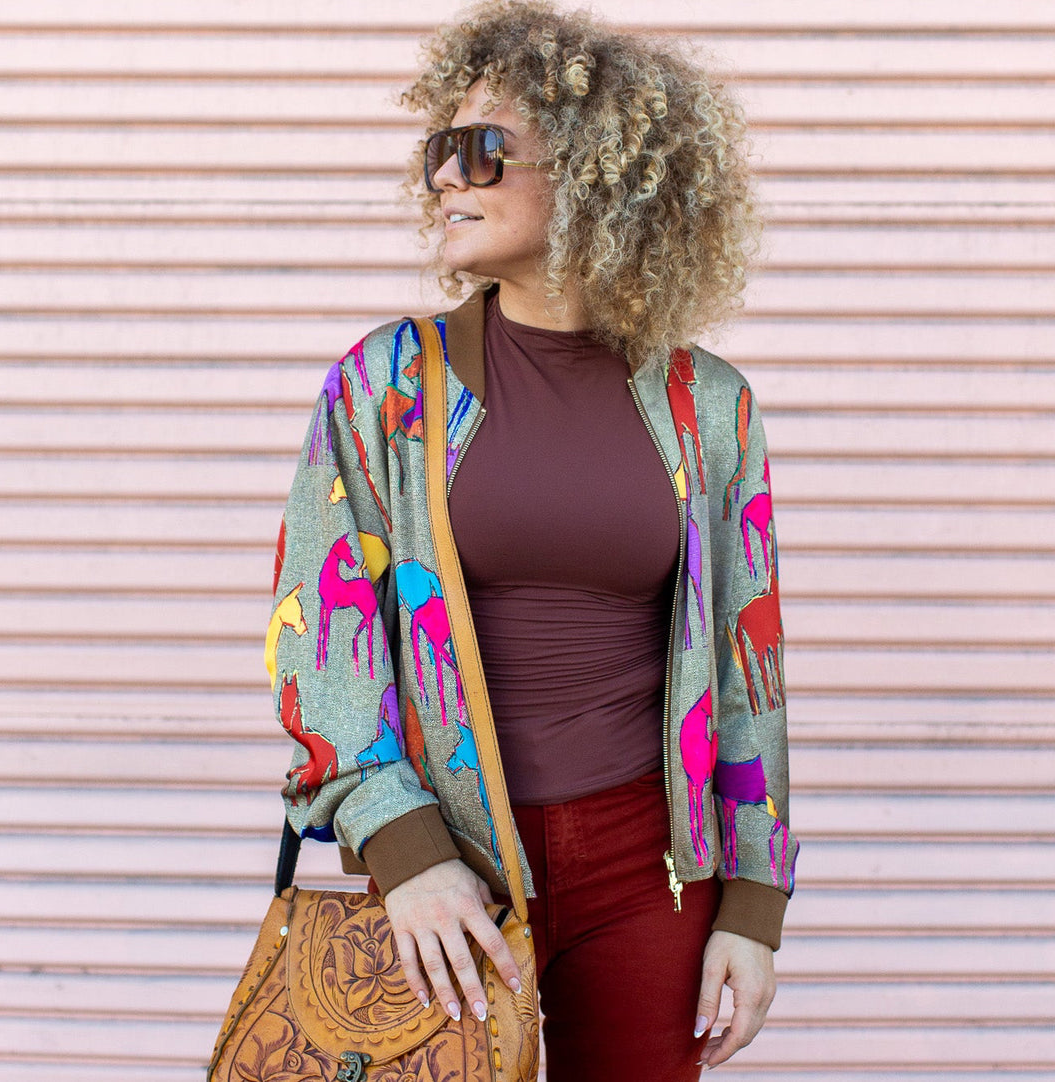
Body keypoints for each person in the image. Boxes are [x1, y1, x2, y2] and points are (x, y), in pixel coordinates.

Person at [267, 2, 798, 1077]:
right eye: (438, 152)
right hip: (447, 859)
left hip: (652, 867)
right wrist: (403, 849)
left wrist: (753, 900)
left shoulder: (711, 407)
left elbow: (753, 664)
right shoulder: (384, 386)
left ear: (600, 171)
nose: (448, 179)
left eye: (483, 150)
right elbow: (320, 638)